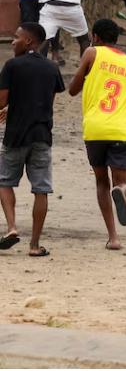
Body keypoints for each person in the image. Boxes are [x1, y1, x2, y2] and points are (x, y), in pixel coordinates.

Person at [68, 19, 126, 250]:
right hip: (119, 128)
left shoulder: (91, 52)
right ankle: (122, 191)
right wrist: (119, 114)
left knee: (101, 181)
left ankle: (114, 237)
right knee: (121, 182)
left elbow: (72, 90)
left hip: (94, 128)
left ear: (96, 37)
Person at [0, 23, 65, 256]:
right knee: (41, 190)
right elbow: (49, 99)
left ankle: (12, 227)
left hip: (16, 134)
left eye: (16, 37)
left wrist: (9, 108)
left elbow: (1, 101)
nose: (13, 41)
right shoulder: (51, 67)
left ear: (29, 41)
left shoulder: (11, 66)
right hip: (42, 134)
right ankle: (35, 245)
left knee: (5, 182)